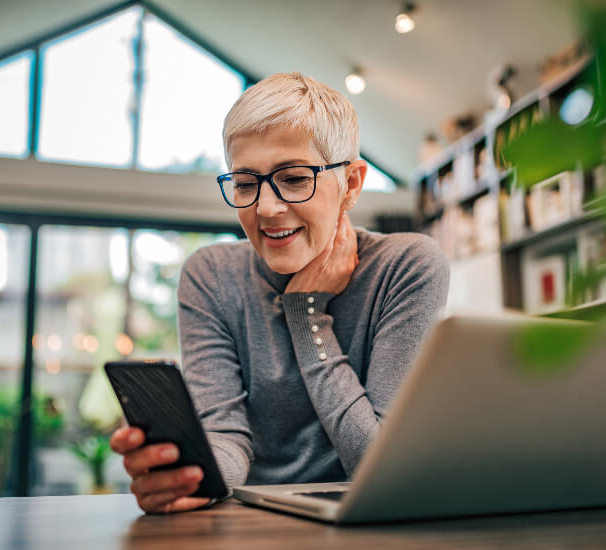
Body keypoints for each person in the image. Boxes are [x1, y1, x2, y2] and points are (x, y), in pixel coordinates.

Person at [110, 72, 450, 513]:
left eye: (293, 178)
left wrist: (306, 312)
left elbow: (378, 466)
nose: (266, 208)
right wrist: (191, 473)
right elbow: (227, 438)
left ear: (350, 184)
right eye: (246, 184)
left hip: (371, 526)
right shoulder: (211, 276)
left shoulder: (407, 267)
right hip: (253, 525)